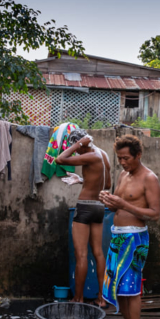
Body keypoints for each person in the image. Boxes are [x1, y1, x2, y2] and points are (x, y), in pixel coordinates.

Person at [99, 135, 160, 319]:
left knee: (132, 289)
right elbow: (119, 207)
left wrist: (123, 203)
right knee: (120, 287)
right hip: (117, 236)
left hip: (135, 239)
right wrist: (109, 201)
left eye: (126, 158)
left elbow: (154, 214)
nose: (123, 163)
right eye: (119, 158)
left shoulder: (149, 178)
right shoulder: (123, 175)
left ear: (138, 155)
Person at [55, 129, 111, 306]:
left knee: (81, 255)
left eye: (77, 147)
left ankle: (78, 298)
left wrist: (78, 144)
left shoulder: (90, 154)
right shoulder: (103, 154)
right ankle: (101, 298)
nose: (77, 151)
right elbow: (107, 184)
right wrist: (81, 180)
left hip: (85, 206)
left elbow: (60, 159)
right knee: (99, 253)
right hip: (100, 207)